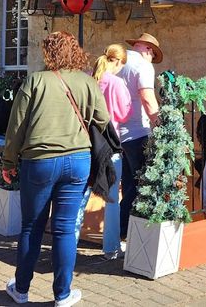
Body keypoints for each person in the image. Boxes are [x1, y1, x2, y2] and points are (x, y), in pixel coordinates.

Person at [2, 31, 109, 307]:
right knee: (64, 229)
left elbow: (16, 126)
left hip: (39, 161)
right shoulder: (87, 82)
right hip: (77, 161)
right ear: (75, 51)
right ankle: (62, 294)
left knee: (31, 227)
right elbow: (104, 119)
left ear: (49, 52)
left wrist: (8, 162)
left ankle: (21, 289)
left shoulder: (35, 81)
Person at [75, 44, 131, 261]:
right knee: (111, 198)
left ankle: (69, 242)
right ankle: (111, 248)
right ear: (117, 62)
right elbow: (125, 114)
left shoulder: (87, 79)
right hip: (108, 144)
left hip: (84, 143)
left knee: (80, 195)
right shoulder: (116, 83)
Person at [118, 32, 162, 250]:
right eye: (152, 54)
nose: (152, 57)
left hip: (115, 133)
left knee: (127, 184)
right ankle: (128, 231)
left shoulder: (117, 60)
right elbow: (147, 97)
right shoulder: (143, 65)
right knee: (142, 183)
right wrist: (160, 123)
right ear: (147, 49)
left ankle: (119, 231)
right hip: (136, 132)